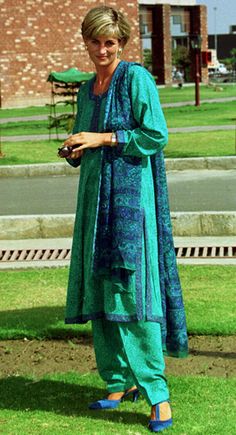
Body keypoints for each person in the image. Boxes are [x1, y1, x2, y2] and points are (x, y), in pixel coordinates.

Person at [61, 6, 188, 433]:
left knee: (132, 295)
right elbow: (88, 141)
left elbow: (156, 135)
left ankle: (158, 394)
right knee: (99, 291)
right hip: (94, 203)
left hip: (131, 203)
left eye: (109, 42)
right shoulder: (85, 91)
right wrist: (76, 150)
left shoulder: (136, 79)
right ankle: (118, 382)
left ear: (122, 43)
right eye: (95, 41)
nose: (102, 49)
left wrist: (102, 137)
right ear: (85, 41)